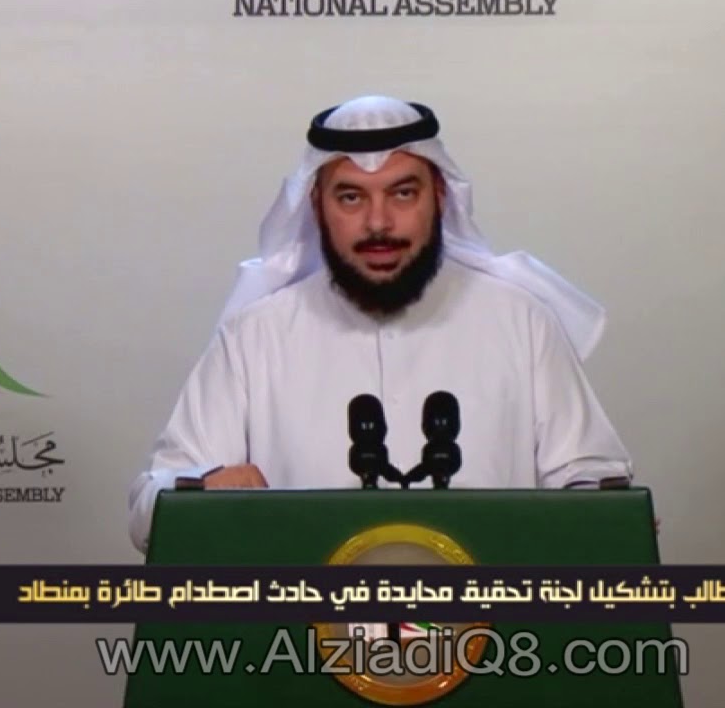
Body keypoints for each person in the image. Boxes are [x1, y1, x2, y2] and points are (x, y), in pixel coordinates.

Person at [127, 95, 633, 553]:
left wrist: (601, 510)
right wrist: (203, 489)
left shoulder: (521, 322)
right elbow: (148, 512)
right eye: (351, 197)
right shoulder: (253, 337)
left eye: (402, 193)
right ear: (316, 206)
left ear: (440, 195)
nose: (378, 223)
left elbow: (591, 477)